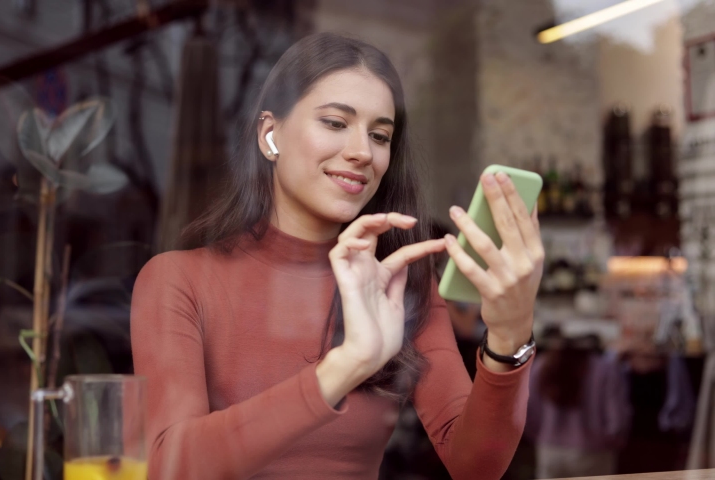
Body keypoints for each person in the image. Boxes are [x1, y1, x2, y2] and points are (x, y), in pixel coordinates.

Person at [131, 32, 542, 480]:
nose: (362, 152)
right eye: (334, 122)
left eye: (380, 135)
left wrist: (509, 336)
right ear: (270, 134)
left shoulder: (400, 283)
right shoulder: (178, 280)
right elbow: (169, 466)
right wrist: (346, 366)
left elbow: (476, 467)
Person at [526, 333, 631, 478]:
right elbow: (617, 418)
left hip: (549, 449)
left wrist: (540, 435)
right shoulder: (604, 368)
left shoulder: (542, 365)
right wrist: (610, 441)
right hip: (593, 451)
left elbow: (528, 410)